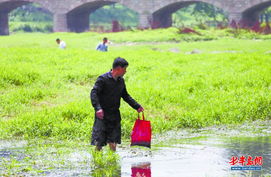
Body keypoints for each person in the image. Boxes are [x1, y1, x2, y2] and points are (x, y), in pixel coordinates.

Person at [90, 57, 144, 151]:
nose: (125, 71)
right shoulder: (102, 79)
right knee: (99, 142)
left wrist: (137, 106)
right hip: (102, 115)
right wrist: (98, 108)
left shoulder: (121, 81)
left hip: (114, 115)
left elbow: (125, 96)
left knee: (113, 141)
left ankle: (112, 161)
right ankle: (97, 162)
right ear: (118, 68)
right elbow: (93, 93)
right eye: (124, 69)